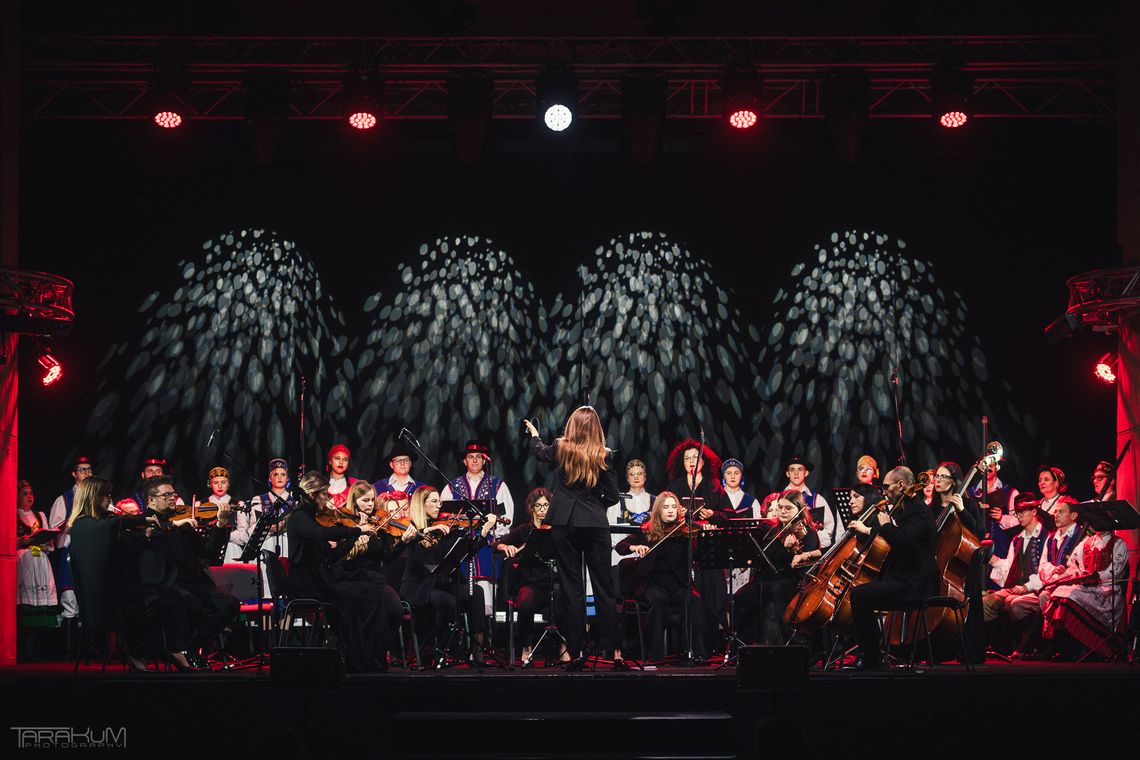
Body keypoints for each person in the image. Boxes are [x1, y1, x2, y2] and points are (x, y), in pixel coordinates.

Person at [524, 407, 623, 669]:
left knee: (571, 587)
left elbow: (539, 451)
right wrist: (593, 507)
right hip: (593, 524)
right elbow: (613, 496)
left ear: (572, 426)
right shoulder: (604, 455)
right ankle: (610, 650)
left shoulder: (560, 448)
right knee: (604, 587)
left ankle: (575, 651)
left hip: (564, 523)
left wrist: (534, 434)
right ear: (596, 429)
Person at [67, 476, 192, 672]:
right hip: (102, 598)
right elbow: (113, 527)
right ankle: (138, 649)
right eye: (106, 496)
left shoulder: (102, 523)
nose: (110, 500)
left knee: (171, 596)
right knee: (157, 602)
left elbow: (123, 549)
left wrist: (144, 536)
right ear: (93, 497)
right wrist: (142, 519)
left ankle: (171, 649)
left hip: (116, 589)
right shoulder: (84, 525)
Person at [286, 471, 388, 672]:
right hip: (308, 586)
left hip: (319, 580)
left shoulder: (310, 517)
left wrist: (354, 538)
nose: (326, 498)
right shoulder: (299, 517)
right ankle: (358, 658)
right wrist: (357, 530)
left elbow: (330, 557)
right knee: (366, 594)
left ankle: (364, 655)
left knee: (371, 589)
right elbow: (321, 533)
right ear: (312, 494)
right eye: (323, 494)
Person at [138, 475, 239, 666]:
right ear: (151, 499)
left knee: (230, 605)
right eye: (166, 495)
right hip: (167, 585)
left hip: (195, 583)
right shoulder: (144, 524)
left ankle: (192, 647)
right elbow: (152, 537)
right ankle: (184, 652)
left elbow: (209, 552)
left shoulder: (182, 526)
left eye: (173, 494)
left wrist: (219, 524)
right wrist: (172, 525)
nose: (172, 499)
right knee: (195, 607)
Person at [847, 466, 938, 671]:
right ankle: (870, 653)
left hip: (917, 585)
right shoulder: (908, 511)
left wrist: (887, 526)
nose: (884, 492)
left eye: (887, 487)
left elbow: (903, 541)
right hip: (905, 580)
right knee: (862, 592)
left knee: (860, 596)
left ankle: (872, 658)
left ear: (901, 485)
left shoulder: (919, 512)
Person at [402, 485, 496, 665]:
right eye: (434, 501)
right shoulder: (411, 529)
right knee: (448, 601)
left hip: (440, 582)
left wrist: (483, 531)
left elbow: (464, 552)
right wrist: (429, 531)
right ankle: (430, 647)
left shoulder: (445, 529)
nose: (439, 506)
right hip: (419, 586)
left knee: (476, 592)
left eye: (439, 501)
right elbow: (425, 562)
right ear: (422, 504)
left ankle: (477, 653)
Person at [615, 492, 709, 663]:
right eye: (666, 507)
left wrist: (706, 535)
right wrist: (634, 547)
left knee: (693, 599)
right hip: (652, 584)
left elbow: (699, 553)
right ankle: (655, 655)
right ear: (658, 510)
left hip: (678, 584)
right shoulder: (647, 531)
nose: (671, 510)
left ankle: (696, 653)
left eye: (674, 507)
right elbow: (621, 547)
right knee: (658, 599)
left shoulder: (684, 531)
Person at [337, 480, 414, 664]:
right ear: (354, 502)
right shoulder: (345, 524)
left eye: (372, 500)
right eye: (365, 500)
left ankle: (379, 650)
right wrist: (356, 537)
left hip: (376, 579)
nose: (370, 505)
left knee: (395, 610)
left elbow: (387, 557)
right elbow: (340, 560)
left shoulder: (380, 523)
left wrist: (404, 540)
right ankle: (366, 655)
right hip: (353, 579)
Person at [733, 490, 820, 646]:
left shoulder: (808, 533)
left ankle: (774, 644)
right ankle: (742, 644)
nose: (783, 512)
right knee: (740, 596)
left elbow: (803, 568)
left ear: (799, 509)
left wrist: (793, 550)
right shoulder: (772, 531)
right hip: (768, 579)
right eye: (780, 507)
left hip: (793, 582)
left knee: (773, 591)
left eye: (788, 508)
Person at [1039, 523, 1129, 660]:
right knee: (1059, 593)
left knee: (1069, 596)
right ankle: (1065, 646)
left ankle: (1086, 647)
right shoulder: (1085, 542)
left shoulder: (1118, 543)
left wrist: (1095, 576)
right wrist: (1078, 574)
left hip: (1106, 589)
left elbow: (1116, 571)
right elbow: (1072, 566)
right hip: (1086, 587)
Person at [495, 487, 560, 664]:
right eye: (538, 506)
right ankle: (526, 645)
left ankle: (565, 646)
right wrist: (506, 547)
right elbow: (499, 544)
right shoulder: (524, 531)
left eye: (546, 505)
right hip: (531, 582)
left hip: (553, 581)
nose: (542, 510)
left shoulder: (557, 530)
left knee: (569, 598)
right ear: (531, 508)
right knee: (525, 602)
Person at [982, 494, 1046, 656]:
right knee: (985, 603)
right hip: (1015, 587)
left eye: (1022, 512)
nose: (1018, 516)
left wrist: (1026, 587)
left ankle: (1027, 643)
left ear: (1033, 512)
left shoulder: (1046, 537)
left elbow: (1046, 571)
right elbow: (1009, 567)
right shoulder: (1017, 539)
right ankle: (1002, 645)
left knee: (1013, 603)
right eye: (1017, 513)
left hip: (1036, 588)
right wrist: (992, 559)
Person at [16, 480, 59, 659]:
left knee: (40, 602)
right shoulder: (11, 514)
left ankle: (38, 647)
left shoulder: (40, 515)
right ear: (17, 496)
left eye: (31, 493)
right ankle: (24, 647)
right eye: (25, 493)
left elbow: (50, 543)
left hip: (40, 560)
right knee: (27, 602)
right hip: (24, 560)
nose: (29, 497)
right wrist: (22, 541)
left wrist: (46, 543)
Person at [48, 455, 92, 621]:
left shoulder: (98, 498)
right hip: (71, 549)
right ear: (74, 474)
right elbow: (54, 529)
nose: (86, 473)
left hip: (92, 549)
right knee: (71, 593)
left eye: (89, 469)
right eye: (82, 470)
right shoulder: (64, 500)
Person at [227, 457, 293, 564]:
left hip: (287, 547)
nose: (279, 477)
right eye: (275, 474)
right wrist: (268, 528)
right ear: (270, 478)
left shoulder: (294, 502)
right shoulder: (259, 500)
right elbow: (250, 532)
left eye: (283, 474)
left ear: (287, 478)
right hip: (265, 545)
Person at [782, 456, 837, 549]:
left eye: (800, 469)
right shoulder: (778, 499)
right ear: (787, 473)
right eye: (792, 470)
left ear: (806, 473)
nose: (796, 473)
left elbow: (829, 528)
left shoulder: (818, 500)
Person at [116, 457, 182, 513]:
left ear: (163, 475)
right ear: (142, 475)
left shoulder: (176, 500)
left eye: (158, 471)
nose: (154, 474)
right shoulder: (131, 503)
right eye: (150, 471)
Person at [1035, 466, 1076, 531]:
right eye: (1040, 480)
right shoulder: (1036, 504)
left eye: (1046, 479)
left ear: (1056, 483)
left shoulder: (1067, 502)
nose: (1041, 483)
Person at [326, 443, 358, 509]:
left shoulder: (355, 484)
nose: (341, 462)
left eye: (345, 460)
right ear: (330, 461)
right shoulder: (321, 482)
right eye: (337, 458)